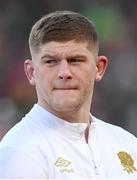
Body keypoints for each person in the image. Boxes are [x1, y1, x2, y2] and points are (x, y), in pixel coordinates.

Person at [0, 10, 137, 179]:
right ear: (31, 72)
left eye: (75, 60)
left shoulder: (127, 144)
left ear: (99, 68)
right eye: (50, 61)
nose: (64, 73)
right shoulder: (20, 152)